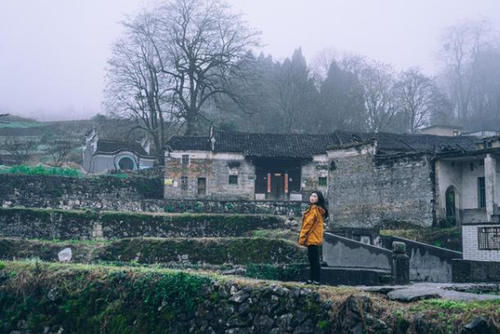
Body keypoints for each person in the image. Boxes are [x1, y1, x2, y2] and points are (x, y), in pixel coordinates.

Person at [298, 191, 328, 285]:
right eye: (311, 195)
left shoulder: (314, 209)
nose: (312, 197)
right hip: (315, 237)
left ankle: (315, 280)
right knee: (313, 259)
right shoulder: (318, 209)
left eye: (315, 196)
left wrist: (302, 237)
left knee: (313, 260)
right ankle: (313, 279)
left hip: (312, 237)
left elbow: (307, 225)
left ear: (318, 199)